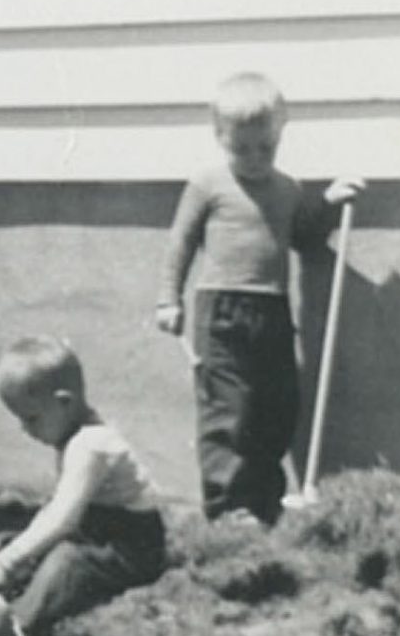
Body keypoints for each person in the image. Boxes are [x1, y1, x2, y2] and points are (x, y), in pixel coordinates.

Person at [154, 72, 365, 524]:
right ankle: (229, 513)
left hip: (272, 310)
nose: (254, 159)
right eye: (240, 148)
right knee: (228, 413)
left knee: (275, 407)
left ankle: (264, 508)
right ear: (219, 137)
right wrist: (168, 299)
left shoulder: (288, 188)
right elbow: (180, 242)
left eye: (265, 148)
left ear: (280, 136)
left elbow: (304, 238)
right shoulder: (207, 184)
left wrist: (328, 201)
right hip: (221, 313)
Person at [0, 336, 170, 636]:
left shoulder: (90, 444)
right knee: (17, 542)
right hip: (98, 529)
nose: (26, 430)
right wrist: (15, 550)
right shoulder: (71, 433)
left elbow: (64, 519)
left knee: (67, 562)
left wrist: (8, 563)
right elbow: (57, 507)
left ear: (64, 402)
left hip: (133, 546)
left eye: (32, 418)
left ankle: (19, 625)